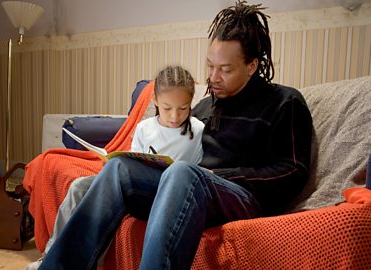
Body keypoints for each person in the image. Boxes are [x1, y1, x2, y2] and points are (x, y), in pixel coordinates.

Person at [39, 1, 313, 269]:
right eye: (210, 66)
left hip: (244, 197)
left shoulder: (284, 102)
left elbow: (293, 171)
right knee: (119, 168)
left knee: (183, 173)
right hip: (187, 188)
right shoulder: (204, 107)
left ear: (252, 66)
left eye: (225, 69)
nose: (213, 77)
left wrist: (221, 176)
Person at [25, 65, 205, 270]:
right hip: (137, 181)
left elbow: (199, 170)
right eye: (167, 108)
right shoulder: (145, 128)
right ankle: (50, 255)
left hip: (164, 191)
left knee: (112, 190)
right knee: (78, 187)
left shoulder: (198, 130)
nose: (175, 116)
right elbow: (134, 162)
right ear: (155, 101)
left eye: (183, 108)